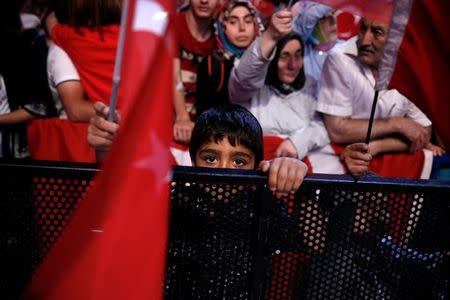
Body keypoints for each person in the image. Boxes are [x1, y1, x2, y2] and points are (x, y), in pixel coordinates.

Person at [315, 17, 444, 178]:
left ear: (397, 38)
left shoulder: (410, 66)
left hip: (392, 171)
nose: (364, 40)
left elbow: (422, 132)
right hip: (340, 167)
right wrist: (397, 124)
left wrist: (378, 146)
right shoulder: (339, 59)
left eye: (376, 32)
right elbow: (337, 130)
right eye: (363, 29)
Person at [88, 102, 308, 195]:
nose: (223, 171)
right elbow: (120, 202)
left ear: (256, 165)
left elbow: (312, 243)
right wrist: (108, 152)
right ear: (193, 160)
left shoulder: (262, 209)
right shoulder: (175, 202)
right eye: (211, 159)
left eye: (238, 161)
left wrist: (300, 179)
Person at [228, 9, 329, 161]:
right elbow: (246, 75)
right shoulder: (250, 89)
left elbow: (323, 127)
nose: (292, 65)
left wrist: (298, 143)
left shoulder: (310, 85)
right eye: (284, 56)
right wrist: (271, 35)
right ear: (273, 59)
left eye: (298, 55)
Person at [195, 0, 263, 115]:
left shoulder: (266, 60)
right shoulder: (212, 65)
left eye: (247, 21)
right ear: (222, 27)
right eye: (233, 22)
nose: (242, 28)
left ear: (256, 24)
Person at [173, 0, 220, 145]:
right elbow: (173, 75)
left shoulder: (221, 35)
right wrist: (182, 117)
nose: (204, 1)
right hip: (172, 122)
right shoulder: (173, 23)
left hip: (203, 128)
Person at [291, 1, 339, 97]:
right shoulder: (300, 52)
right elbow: (307, 17)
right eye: (323, 17)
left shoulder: (347, 50)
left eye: (333, 13)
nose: (333, 20)